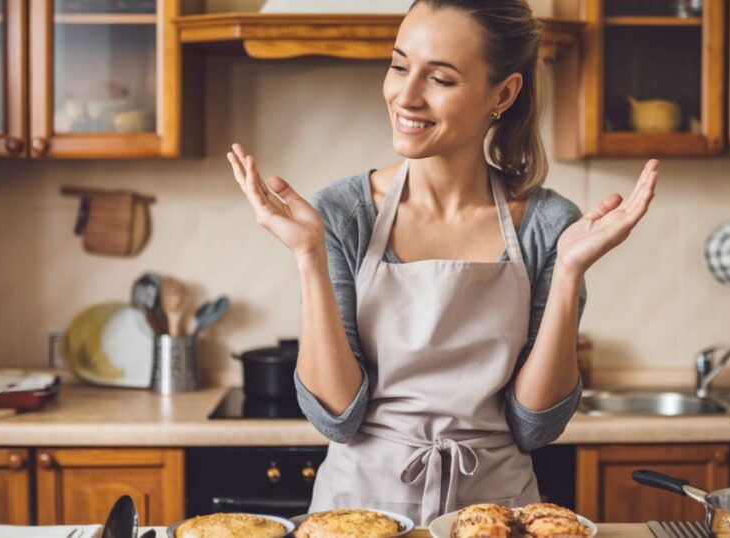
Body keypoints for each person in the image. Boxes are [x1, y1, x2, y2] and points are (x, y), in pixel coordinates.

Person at [226, 0, 658, 525]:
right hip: (358, 516)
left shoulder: (547, 223)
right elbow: (337, 418)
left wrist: (569, 274)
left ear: (502, 93)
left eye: (441, 79)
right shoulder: (344, 214)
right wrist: (308, 254)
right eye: (399, 65)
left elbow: (535, 428)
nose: (405, 96)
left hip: (497, 517)